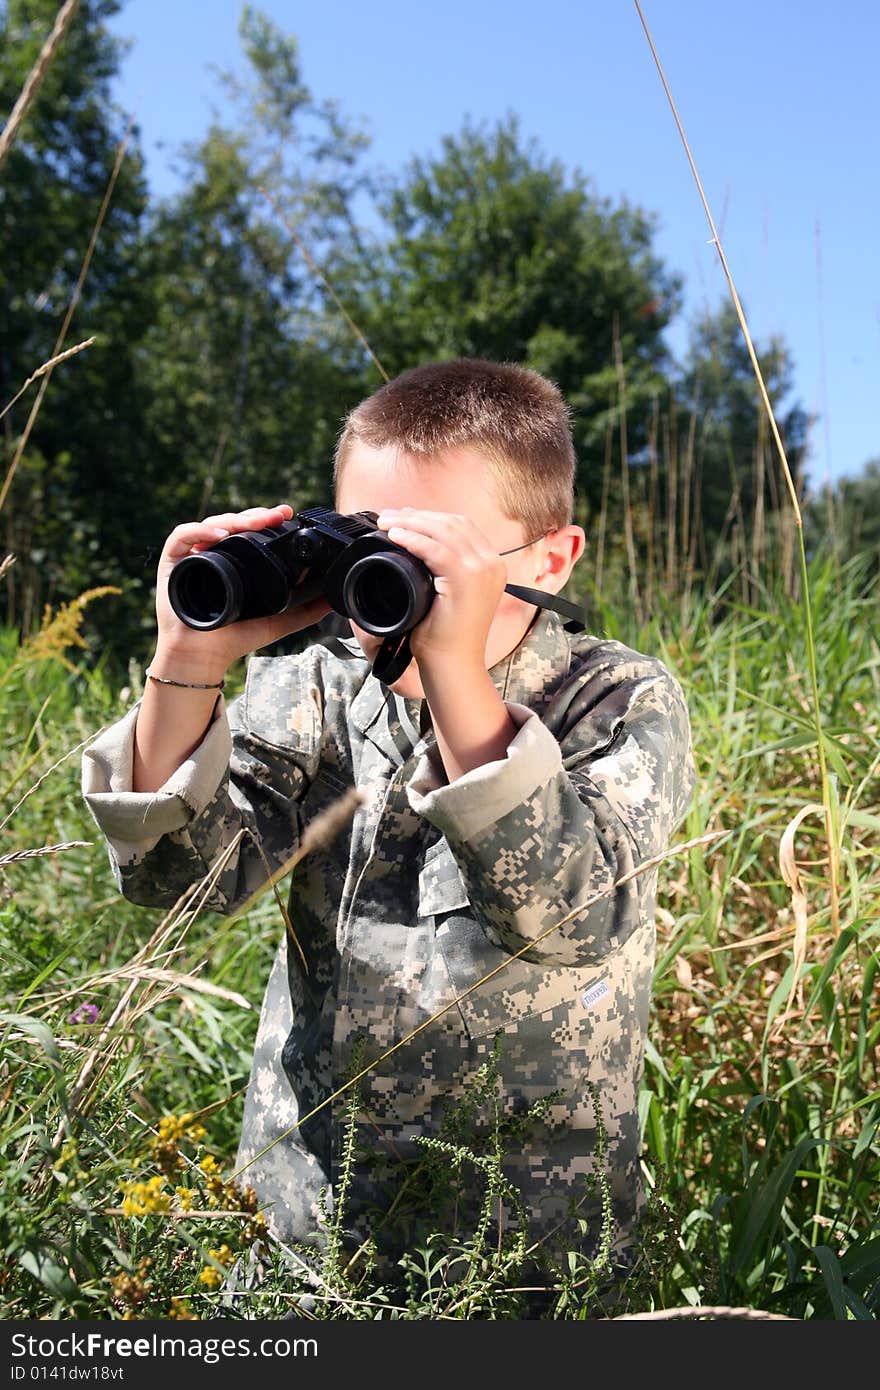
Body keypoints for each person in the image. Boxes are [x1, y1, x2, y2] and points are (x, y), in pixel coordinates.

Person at [81, 357, 696, 1315]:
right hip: (307, 1225)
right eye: (370, 547)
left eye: (430, 554)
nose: (390, 588)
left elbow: (573, 917)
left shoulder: (616, 699)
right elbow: (177, 882)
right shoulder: (320, 687)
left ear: (549, 560)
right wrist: (187, 662)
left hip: (526, 1243)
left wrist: (456, 678)